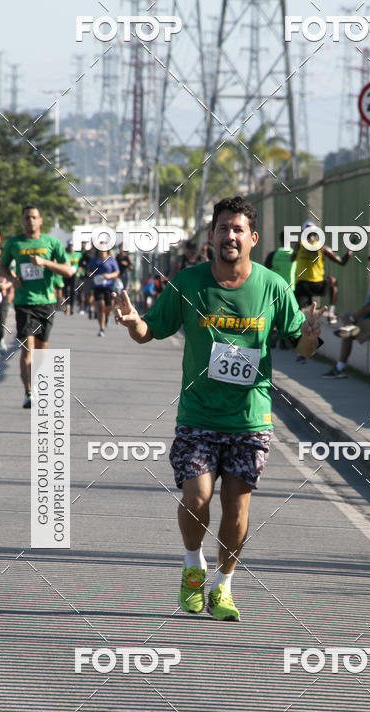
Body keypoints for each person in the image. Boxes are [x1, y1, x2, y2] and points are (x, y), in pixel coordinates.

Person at [114, 195, 324, 622]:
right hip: (198, 414)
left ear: (253, 238)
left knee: (237, 509)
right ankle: (194, 567)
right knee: (197, 497)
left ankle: (224, 586)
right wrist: (133, 322)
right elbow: (149, 331)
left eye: (238, 229)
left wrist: (313, 336)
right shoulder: (188, 284)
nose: (230, 236)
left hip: (250, 418)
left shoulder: (272, 286)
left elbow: (302, 344)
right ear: (211, 236)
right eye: (223, 228)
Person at [1, 205, 73, 408]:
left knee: (42, 350)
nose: (30, 221)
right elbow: (3, 265)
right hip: (24, 302)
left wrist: (45, 263)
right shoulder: (14, 243)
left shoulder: (51, 243)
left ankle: (39, 384)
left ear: (40, 220)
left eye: (34, 217)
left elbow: (68, 271)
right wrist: (11, 278)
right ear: (22, 221)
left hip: (46, 301)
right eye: (27, 218)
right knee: (27, 347)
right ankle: (28, 392)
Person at [323, 256, 370, 378]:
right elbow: (368, 308)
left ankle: (340, 368)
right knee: (347, 318)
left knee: (347, 333)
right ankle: (347, 328)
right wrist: (351, 316)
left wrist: (353, 319)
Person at [292, 221, 352, 363]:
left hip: (302, 284)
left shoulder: (298, 246)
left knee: (301, 317)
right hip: (317, 284)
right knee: (333, 281)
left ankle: (301, 350)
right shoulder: (322, 248)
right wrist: (349, 251)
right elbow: (342, 262)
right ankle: (331, 312)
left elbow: (292, 259)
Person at [264, 230, 297, 349]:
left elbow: (266, 270)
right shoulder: (294, 254)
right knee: (285, 315)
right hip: (290, 289)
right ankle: (283, 341)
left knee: (274, 313)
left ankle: (272, 334)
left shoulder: (274, 254)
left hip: (275, 289)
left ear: (281, 240)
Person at [91, 248, 120, 337]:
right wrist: (91, 274)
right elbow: (89, 271)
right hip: (97, 286)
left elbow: (117, 272)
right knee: (100, 307)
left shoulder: (111, 260)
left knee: (108, 307)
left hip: (109, 286)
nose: (102, 251)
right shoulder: (94, 260)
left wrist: (109, 276)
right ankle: (101, 328)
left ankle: (107, 316)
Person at [63, 240, 81, 316]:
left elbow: (81, 264)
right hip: (66, 273)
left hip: (75, 275)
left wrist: (80, 270)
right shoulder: (65, 254)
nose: (71, 247)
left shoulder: (78, 254)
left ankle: (72, 307)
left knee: (73, 291)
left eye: (72, 245)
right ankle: (67, 306)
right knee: (66, 290)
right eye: (70, 245)